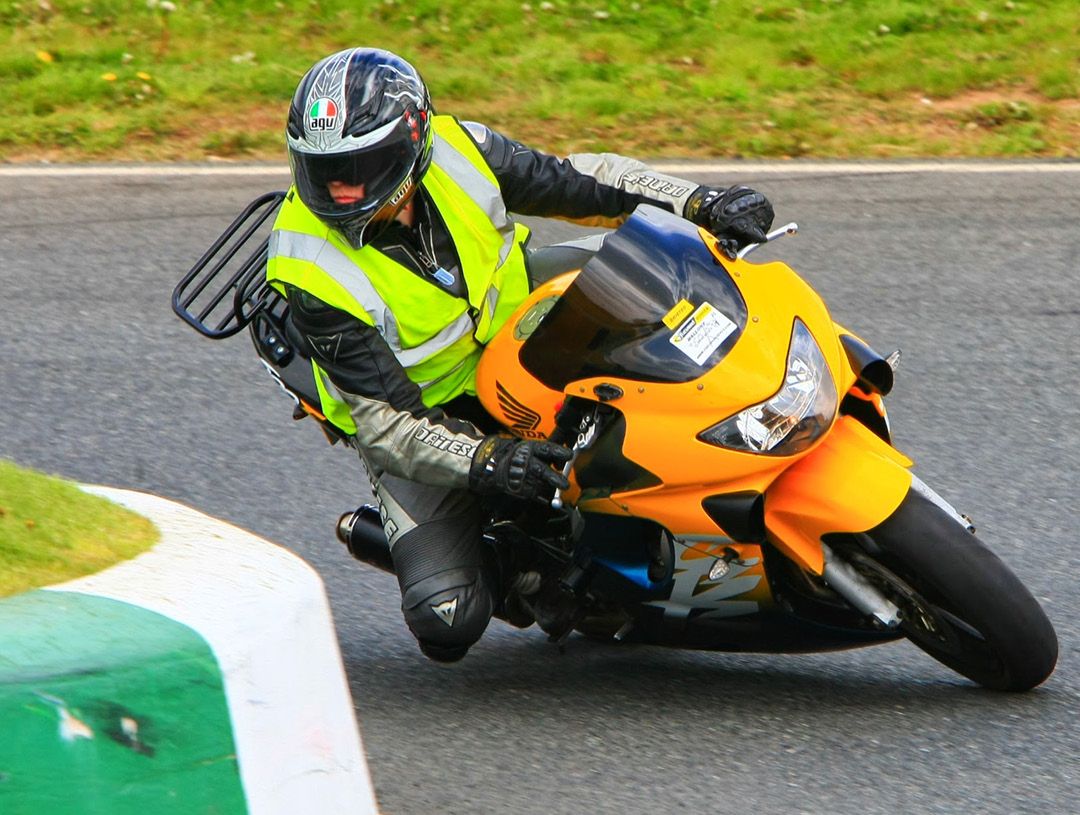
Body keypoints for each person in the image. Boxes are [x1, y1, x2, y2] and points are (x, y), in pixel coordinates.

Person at [266, 47, 774, 662]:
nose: (340, 190)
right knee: (446, 621)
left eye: (359, 166)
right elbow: (384, 423)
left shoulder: (459, 148)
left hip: (528, 326)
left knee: (669, 269)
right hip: (432, 411)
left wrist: (698, 201)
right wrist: (486, 461)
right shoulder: (307, 268)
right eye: (322, 172)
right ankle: (524, 571)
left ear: (410, 143)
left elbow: (578, 179)